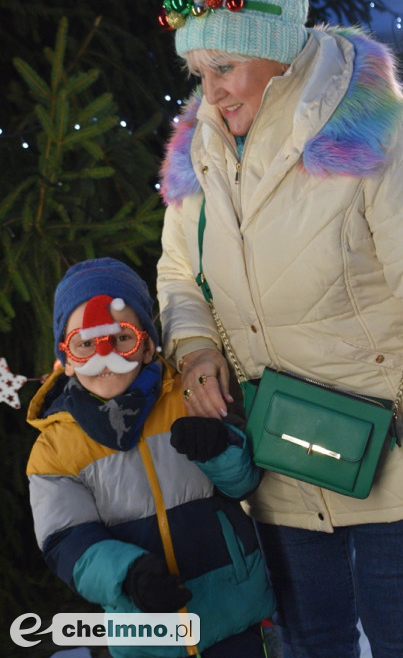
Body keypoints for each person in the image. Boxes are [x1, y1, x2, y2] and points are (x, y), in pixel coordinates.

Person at [156, 0, 403, 658]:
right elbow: (179, 270)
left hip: (395, 447)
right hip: (279, 448)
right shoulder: (202, 142)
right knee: (307, 642)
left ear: (275, 51)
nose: (209, 93)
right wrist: (193, 347)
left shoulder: (370, 127)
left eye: (223, 68)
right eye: (198, 72)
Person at [26, 257, 275, 658]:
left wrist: (217, 448)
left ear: (146, 346)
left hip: (233, 610)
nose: (104, 356)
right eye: (85, 343)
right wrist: (127, 576)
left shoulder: (189, 397)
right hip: (146, 632)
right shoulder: (54, 450)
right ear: (67, 359)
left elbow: (243, 483)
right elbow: (66, 540)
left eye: (121, 338)